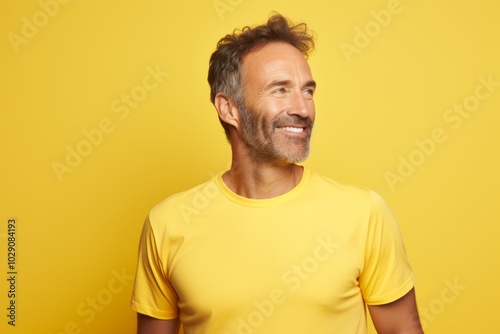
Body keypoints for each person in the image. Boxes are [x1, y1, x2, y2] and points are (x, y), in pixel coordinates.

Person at [130, 13, 423, 334]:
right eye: (280, 90)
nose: (303, 108)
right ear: (229, 109)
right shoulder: (167, 223)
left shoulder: (365, 213)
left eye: (308, 91)